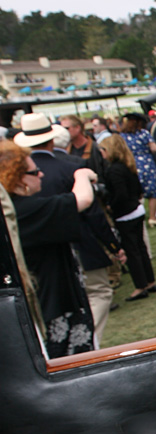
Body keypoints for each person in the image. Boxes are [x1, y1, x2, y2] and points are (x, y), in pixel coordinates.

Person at [15, 113, 124, 346]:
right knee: (97, 294)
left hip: (51, 268)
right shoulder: (71, 169)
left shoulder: (19, 199)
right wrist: (113, 245)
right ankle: (86, 345)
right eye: (35, 173)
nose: (40, 175)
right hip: (74, 251)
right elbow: (89, 208)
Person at [0, 140, 97, 358]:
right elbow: (83, 199)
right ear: (16, 178)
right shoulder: (25, 211)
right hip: (54, 306)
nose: (41, 175)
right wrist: (81, 175)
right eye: (34, 172)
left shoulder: (21, 209)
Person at [98, 135, 156, 302]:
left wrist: (110, 205)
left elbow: (120, 194)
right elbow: (137, 189)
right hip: (136, 209)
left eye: (103, 150)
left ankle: (141, 286)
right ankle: (150, 281)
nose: (101, 153)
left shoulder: (114, 170)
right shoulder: (127, 165)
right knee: (140, 248)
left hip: (125, 214)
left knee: (133, 251)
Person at [120, 112, 156, 227]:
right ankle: (153, 217)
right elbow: (154, 148)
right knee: (152, 192)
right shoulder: (144, 133)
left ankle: (139, 216)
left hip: (131, 163)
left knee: (136, 191)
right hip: (146, 162)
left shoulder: (122, 136)